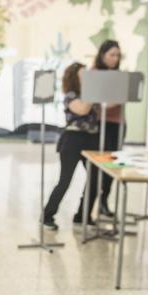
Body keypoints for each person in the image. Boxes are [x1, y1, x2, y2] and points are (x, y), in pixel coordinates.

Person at [41, 62, 100, 229]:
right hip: (72, 140)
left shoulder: (90, 94)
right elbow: (83, 110)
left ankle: (83, 215)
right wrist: (91, 89)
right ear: (75, 78)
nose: (87, 77)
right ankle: (47, 216)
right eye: (83, 75)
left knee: (95, 179)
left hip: (91, 139)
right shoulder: (71, 96)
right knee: (65, 181)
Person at [93, 40, 124, 219]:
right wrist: (111, 102)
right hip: (100, 124)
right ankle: (93, 202)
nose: (115, 58)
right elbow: (97, 101)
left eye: (117, 55)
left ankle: (104, 201)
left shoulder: (120, 75)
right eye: (111, 55)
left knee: (114, 164)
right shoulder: (95, 74)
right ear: (102, 55)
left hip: (118, 125)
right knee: (100, 164)